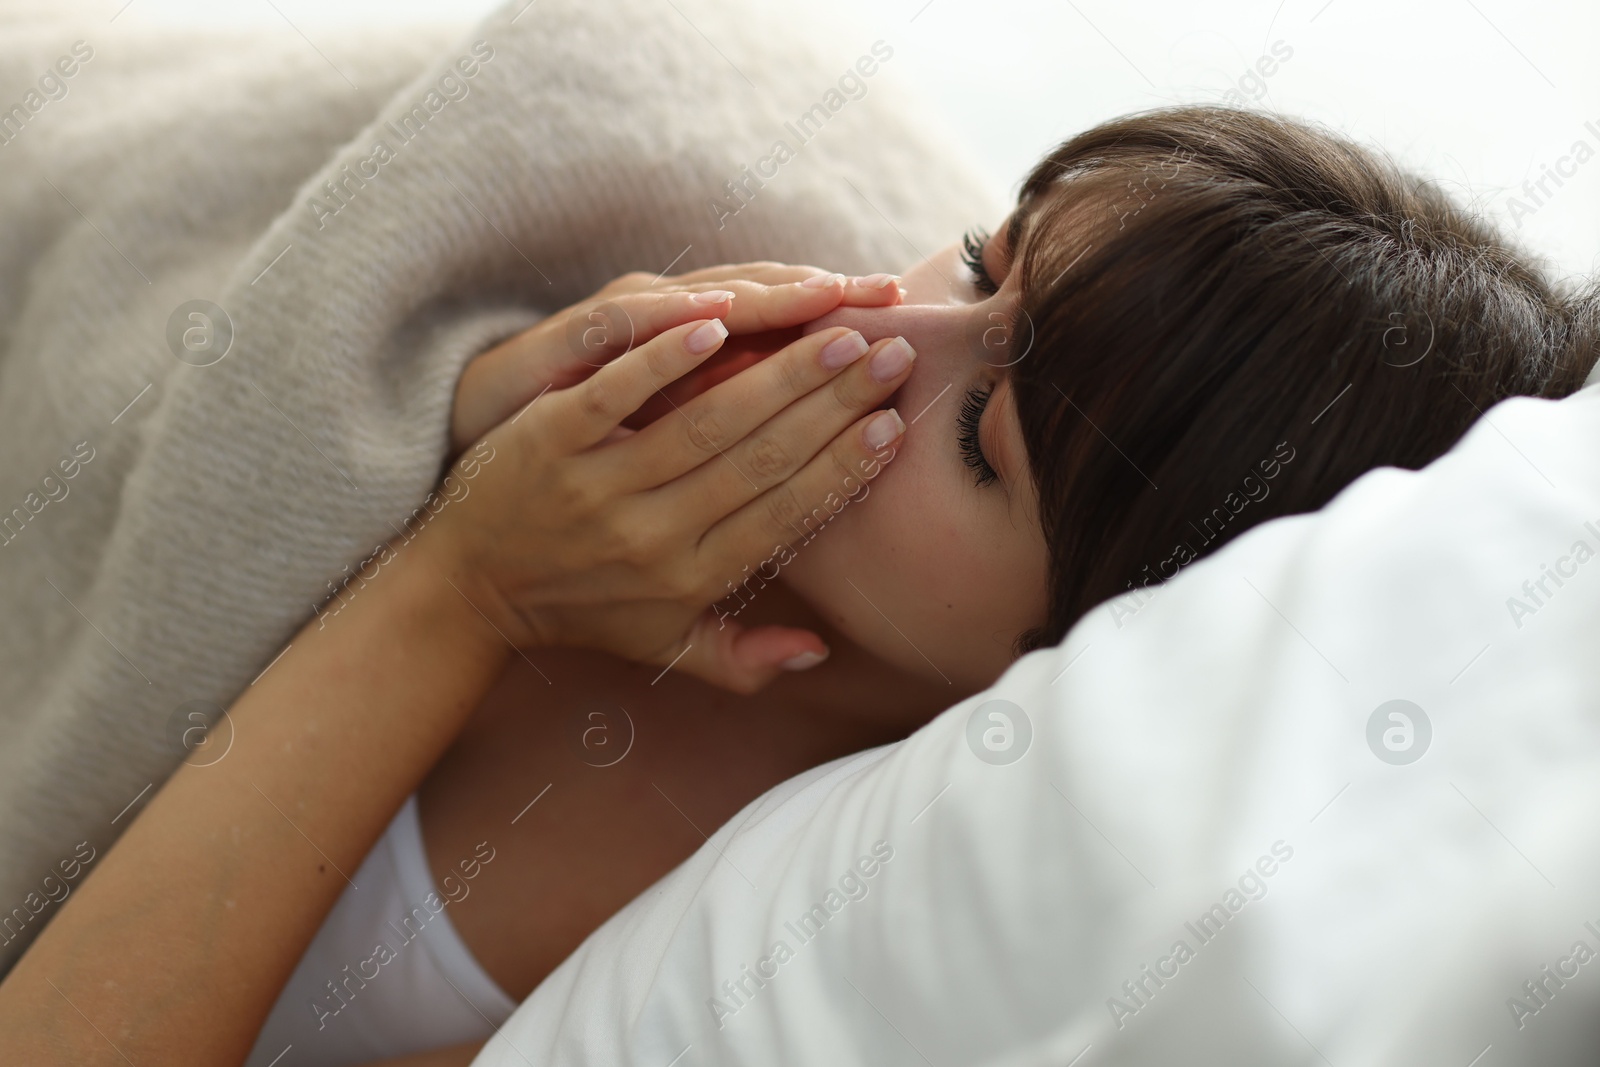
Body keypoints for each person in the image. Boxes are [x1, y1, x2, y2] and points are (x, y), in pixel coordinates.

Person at [0, 106, 1591, 1067]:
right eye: (980, 261)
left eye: (979, 435)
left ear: (1087, 647)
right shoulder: (666, 294)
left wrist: (462, 586)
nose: (875, 338)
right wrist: (447, 409)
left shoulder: (793, 922)